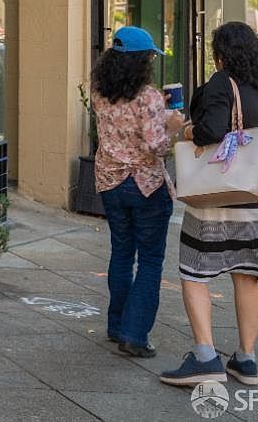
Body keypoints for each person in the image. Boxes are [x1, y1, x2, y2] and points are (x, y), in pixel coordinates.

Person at [161, 21, 258, 389]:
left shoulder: (222, 82)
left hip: (218, 198)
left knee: (194, 272)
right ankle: (246, 359)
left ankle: (205, 358)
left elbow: (211, 131)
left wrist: (187, 131)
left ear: (221, 56)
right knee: (247, 275)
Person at [91, 27, 185, 358]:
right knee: (149, 259)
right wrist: (173, 128)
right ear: (141, 61)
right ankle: (134, 335)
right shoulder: (149, 97)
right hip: (146, 186)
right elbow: (156, 146)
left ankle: (117, 325)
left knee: (121, 253)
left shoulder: (99, 92)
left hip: (110, 182)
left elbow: (120, 126)